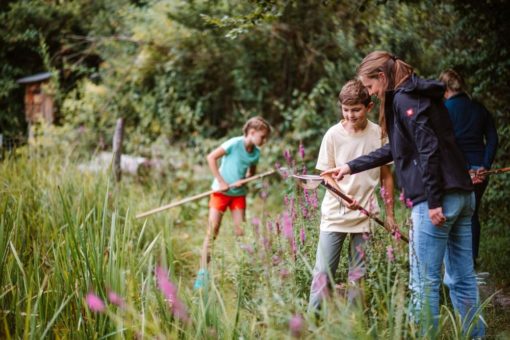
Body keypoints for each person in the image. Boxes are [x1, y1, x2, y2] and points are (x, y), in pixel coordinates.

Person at [322, 51, 485, 337]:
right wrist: (350, 166)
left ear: (382, 78)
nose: (371, 93)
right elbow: (398, 148)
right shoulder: (421, 93)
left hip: (437, 200)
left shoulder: (405, 99)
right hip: (462, 193)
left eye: (371, 87)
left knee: (424, 282)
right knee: (462, 278)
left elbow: (428, 148)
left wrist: (433, 200)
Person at [308, 79, 396, 312]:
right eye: (345, 110)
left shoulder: (379, 134)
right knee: (323, 273)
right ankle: (311, 325)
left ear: (369, 107)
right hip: (335, 215)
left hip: (365, 215)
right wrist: (344, 198)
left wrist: (389, 214)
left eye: (355, 109)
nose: (349, 115)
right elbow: (326, 176)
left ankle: (354, 327)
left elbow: (387, 176)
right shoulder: (333, 135)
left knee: (359, 276)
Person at [194, 116, 271, 289]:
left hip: (238, 194)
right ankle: (202, 273)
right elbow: (211, 158)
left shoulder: (256, 153)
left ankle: (240, 271)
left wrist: (245, 179)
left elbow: (251, 173)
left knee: (240, 231)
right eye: (263, 137)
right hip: (220, 193)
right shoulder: (234, 143)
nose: (264, 141)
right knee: (212, 231)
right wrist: (221, 182)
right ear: (251, 133)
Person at [439, 69, 498, 267]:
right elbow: (492, 138)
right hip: (481, 170)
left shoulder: (444, 109)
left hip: (457, 171)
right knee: (472, 214)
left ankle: (455, 265)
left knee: (451, 215)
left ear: (445, 88)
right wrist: (484, 166)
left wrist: (464, 169)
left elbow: (448, 143)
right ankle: (470, 262)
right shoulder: (478, 108)